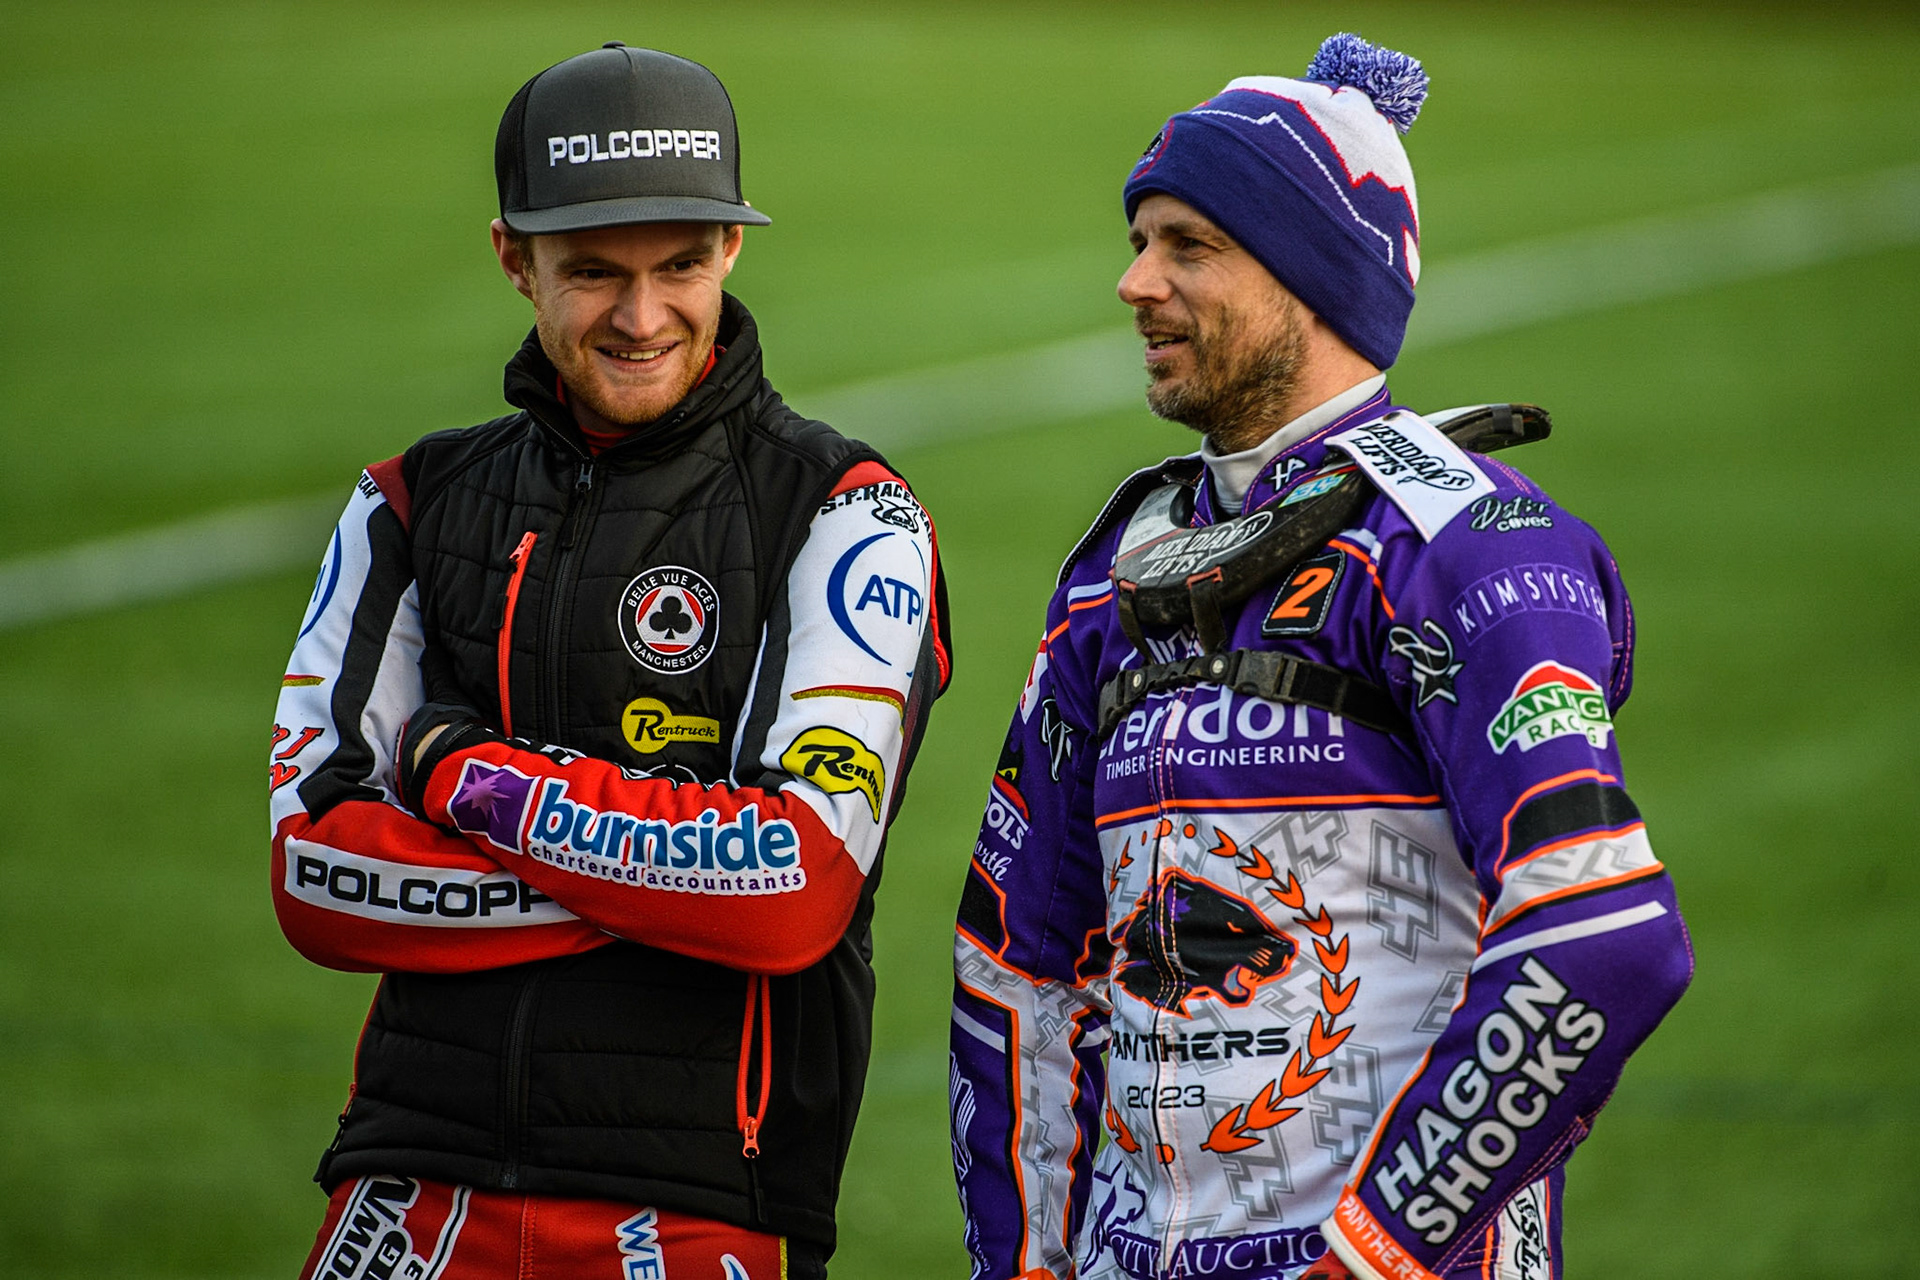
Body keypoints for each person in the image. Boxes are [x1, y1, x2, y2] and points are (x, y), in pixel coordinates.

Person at [949, 33, 1690, 1280]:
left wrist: (1371, 1253)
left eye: (1188, 245)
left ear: (1312, 273)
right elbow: (1014, 965)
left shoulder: (1463, 546)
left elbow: (1601, 933)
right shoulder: (1114, 575)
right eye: (1139, 240)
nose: (1135, 281)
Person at [269, 43, 950, 1280]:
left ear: (730, 248)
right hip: (410, 1180)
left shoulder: (849, 513)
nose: (642, 318)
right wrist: (653, 892)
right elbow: (314, 873)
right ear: (513, 258)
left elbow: (794, 886)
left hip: (700, 1203)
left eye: (679, 265)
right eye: (592, 271)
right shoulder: (409, 500)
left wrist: (460, 773)